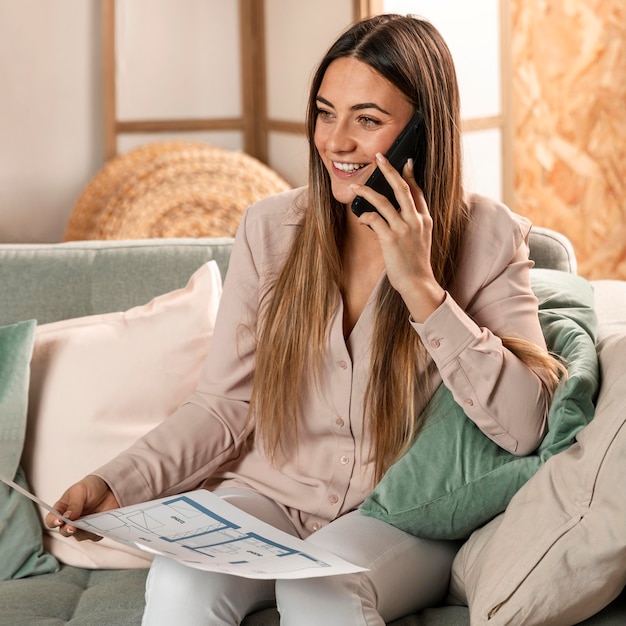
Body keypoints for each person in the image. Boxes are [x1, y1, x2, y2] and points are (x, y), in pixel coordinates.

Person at [47, 14, 564, 626]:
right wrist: (116, 485)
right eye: (325, 112)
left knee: (319, 591)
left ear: (423, 132)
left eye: (367, 120)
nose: (335, 141)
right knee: (181, 581)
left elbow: (526, 425)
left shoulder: (489, 237)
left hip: (391, 520)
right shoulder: (269, 230)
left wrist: (422, 287)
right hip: (268, 499)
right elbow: (222, 406)